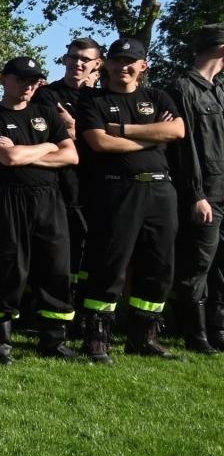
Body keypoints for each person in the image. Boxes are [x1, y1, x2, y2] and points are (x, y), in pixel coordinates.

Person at [77, 36, 185, 361]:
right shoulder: (92, 101)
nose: (123, 66)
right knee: (110, 264)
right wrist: (153, 136)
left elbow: (177, 131)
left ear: (143, 66)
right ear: (106, 64)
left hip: (161, 190)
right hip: (118, 189)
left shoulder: (157, 96)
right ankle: (97, 339)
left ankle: (143, 337)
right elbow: (100, 143)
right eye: (117, 60)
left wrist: (122, 130)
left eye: (131, 61)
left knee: (159, 265)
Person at [0, 56, 78, 364]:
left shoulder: (46, 113)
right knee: (8, 267)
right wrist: (48, 146)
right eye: (21, 80)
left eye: (33, 81)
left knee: (55, 266)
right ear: (4, 79)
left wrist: (28, 151)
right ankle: (0, 344)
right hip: (11, 198)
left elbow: (71, 156)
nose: (27, 86)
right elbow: (7, 160)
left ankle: (54, 341)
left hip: (49, 198)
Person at [165, 24, 224, 352]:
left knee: (222, 267)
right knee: (197, 264)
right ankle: (195, 333)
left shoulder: (219, 90)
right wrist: (196, 194)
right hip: (205, 196)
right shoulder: (183, 88)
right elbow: (184, 150)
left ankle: (218, 328)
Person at [40, 38, 103, 297]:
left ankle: (84, 306)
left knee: (94, 248)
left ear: (96, 64)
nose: (77, 63)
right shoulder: (47, 95)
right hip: (60, 184)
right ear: (65, 59)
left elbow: (106, 141)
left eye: (84, 59)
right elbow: (44, 139)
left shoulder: (101, 98)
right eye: (73, 57)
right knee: (61, 247)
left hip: (98, 182)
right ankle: (55, 302)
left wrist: (74, 129)